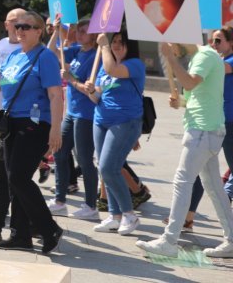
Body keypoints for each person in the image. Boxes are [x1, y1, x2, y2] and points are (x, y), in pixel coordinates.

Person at [0, 11, 64, 255]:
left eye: (28, 26)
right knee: (14, 179)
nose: (21, 30)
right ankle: (20, 235)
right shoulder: (15, 55)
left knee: (18, 178)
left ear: (39, 31)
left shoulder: (44, 57)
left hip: (34, 124)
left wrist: (56, 129)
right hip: (12, 124)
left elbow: (56, 94)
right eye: (18, 26)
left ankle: (49, 228)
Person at [136, 42, 233, 258]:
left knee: (183, 181)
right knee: (215, 188)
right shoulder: (200, 58)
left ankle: (169, 241)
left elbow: (189, 83)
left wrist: (170, 58)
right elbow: (193, 97)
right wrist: (178, 102)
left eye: (172, 41)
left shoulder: (205, 55)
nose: (168, 45)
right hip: (206, 129)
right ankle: (231, 239)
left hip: (202, 130)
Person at [87, 30, 144, 236]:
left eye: (122, 42)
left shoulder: (135, 64)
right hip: (101, 120)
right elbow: (97, 98)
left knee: (109, 167)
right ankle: (114, 216)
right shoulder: (104, 66)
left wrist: (103, 45)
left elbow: (113, 69)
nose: (117, 45)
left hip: (125, 122)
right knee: (105, 170)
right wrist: (92, 90)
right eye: (115, 42)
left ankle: (129, 214)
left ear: (131, 45)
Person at [47, 17, 100, 220]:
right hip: (72, 112)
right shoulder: (77, 50)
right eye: (78, 30)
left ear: (94, 35)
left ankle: (91, 206)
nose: (79, 34)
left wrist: (70, 79)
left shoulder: (97, 57)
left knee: (85, 160)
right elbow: (51, 52)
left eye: (84, 31)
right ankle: (60, 201)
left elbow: (90, 88)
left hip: (86, 114)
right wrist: (56, 32)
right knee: (59, 151)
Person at [210, 27, 233, 200]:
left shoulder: (229, 61)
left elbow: (217, 68)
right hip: (219, 120)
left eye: (218, 40)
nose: (213, 44)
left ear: (231, 42)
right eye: (212, 40)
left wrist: (198, 49)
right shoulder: (220, 60)